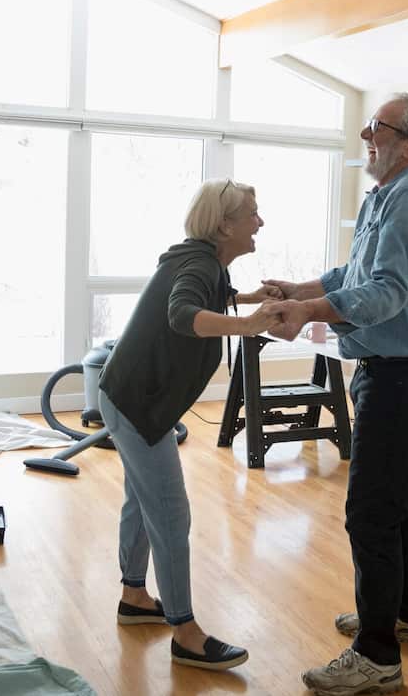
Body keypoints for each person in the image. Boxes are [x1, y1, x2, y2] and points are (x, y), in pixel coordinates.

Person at [264, 93, 408, 696]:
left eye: (379, 127)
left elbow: (386, 293)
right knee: (395, 504)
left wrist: (310, 311)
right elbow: (355, 274)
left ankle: (377, 657)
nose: (367, 134)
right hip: (390, 368)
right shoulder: (390, 195)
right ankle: (402, 616)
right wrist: (301, 288)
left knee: (369, 514)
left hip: (402, 375)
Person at [96, 178, 285, 672]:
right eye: (252, 213)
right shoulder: (199, 263)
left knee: (142, 501)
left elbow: (208, 294)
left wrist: (244, 300)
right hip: (138, 405)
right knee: (171, 513)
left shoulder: (203, 260)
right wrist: (246, 324)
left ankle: (134, 598)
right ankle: (185, 632)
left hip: (131, 397)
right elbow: (183, 313)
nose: (259, 222)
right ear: (225, 225)